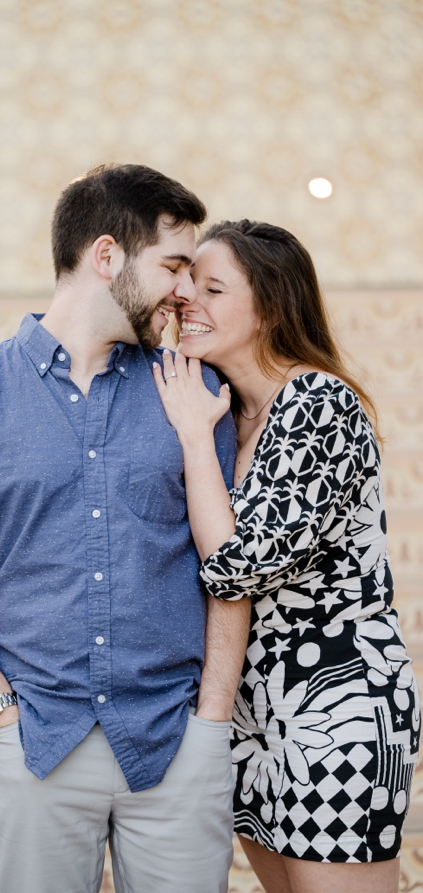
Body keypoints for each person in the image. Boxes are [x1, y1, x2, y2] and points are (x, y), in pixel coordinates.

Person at [0, 163, 246, 893]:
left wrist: (213, 720)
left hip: (176, 741)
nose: (185, 290)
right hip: (36, 748)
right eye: (174, 265)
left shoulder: (196, 391)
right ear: (108, 255)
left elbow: (229, 568)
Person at [153, 220, 419, 893]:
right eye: (188, 285)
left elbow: (236, 565)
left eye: (214, 287)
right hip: (251, 717)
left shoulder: (319, 403)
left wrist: (190, 434)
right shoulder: (232, 411)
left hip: (337, 707)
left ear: (270, 306)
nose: (189, 299)